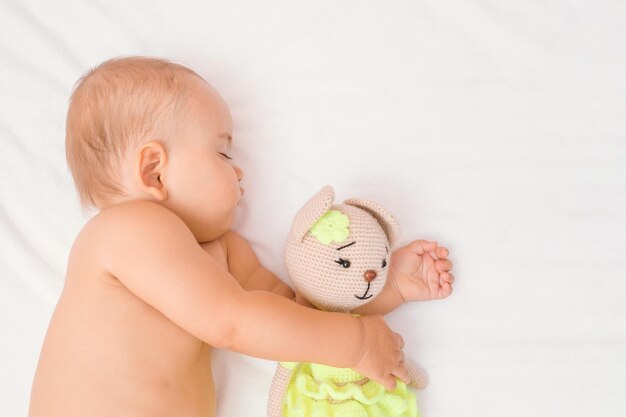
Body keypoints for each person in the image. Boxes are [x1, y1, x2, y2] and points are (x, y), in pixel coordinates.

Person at [28, 56, 454, 417]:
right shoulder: (126, 230)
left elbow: (292, 317)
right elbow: (231, 322)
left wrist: (384, 285)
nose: (239, 170)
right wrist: (355, 344)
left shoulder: (223, 253)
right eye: (222, 152)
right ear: (153, 171)